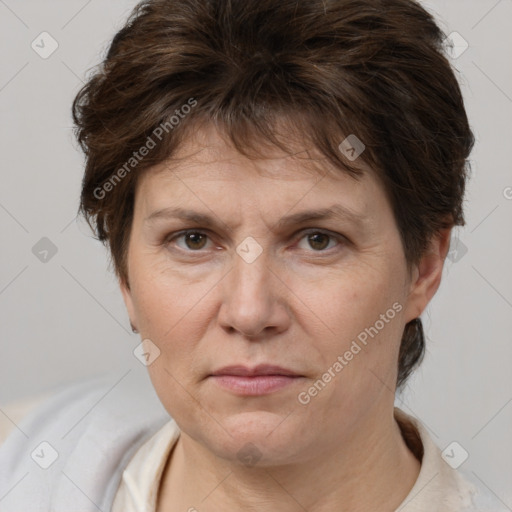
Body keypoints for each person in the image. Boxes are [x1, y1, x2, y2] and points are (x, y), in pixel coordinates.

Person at [0, 0, 506, 510]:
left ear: (423, 267)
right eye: (193, 239)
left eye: (317, 239)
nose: (249, 312)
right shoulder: (26, 465)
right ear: (124, 275)